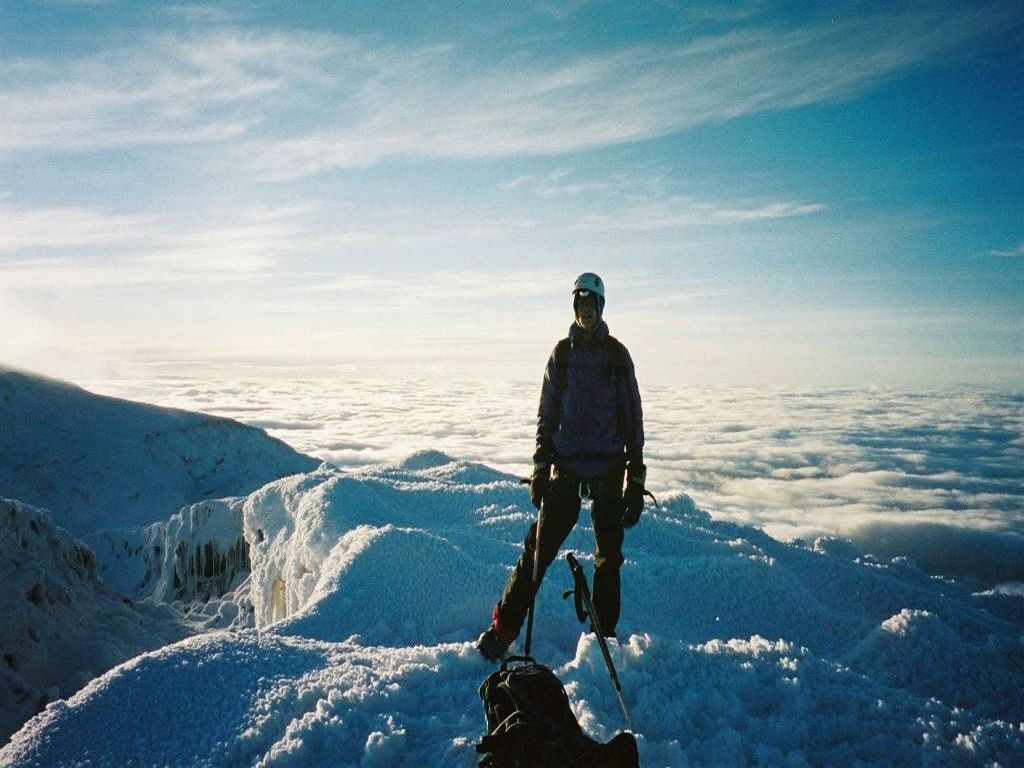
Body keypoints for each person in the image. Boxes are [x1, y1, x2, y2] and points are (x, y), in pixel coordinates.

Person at [477, 272, 646, 661]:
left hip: (607, 469)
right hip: (566, 467)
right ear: (575, 307)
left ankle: (604, 636)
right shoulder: (562, 354)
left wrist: (635, 478)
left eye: (592, 304)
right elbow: (547, 413)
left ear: (601, 307)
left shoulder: (617, 356)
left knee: (608, 559)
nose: (585, 310)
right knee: (537, 549)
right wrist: (540, 466)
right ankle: (503, 630)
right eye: (580, 304)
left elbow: (632, 417)